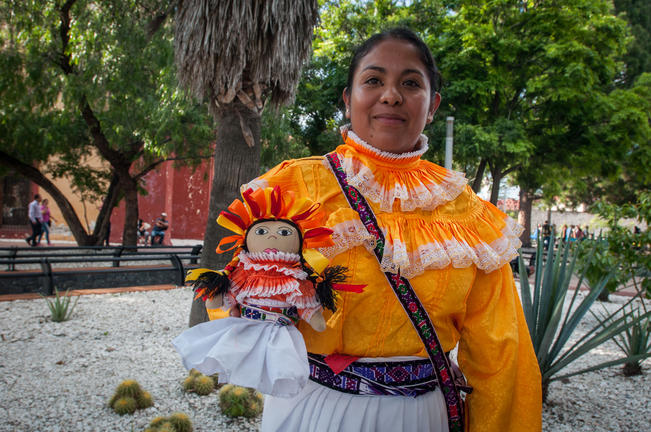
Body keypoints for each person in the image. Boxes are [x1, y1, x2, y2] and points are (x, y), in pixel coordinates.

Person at [211, 28, 541, 431]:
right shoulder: (294, 187)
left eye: (410, 83)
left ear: (433, 104)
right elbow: (236, 296)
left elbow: (502, 352)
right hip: (313, 410)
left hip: (424, 417)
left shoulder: (468, 212)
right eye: (373, 80)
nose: (391, 95)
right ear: (349, 100)